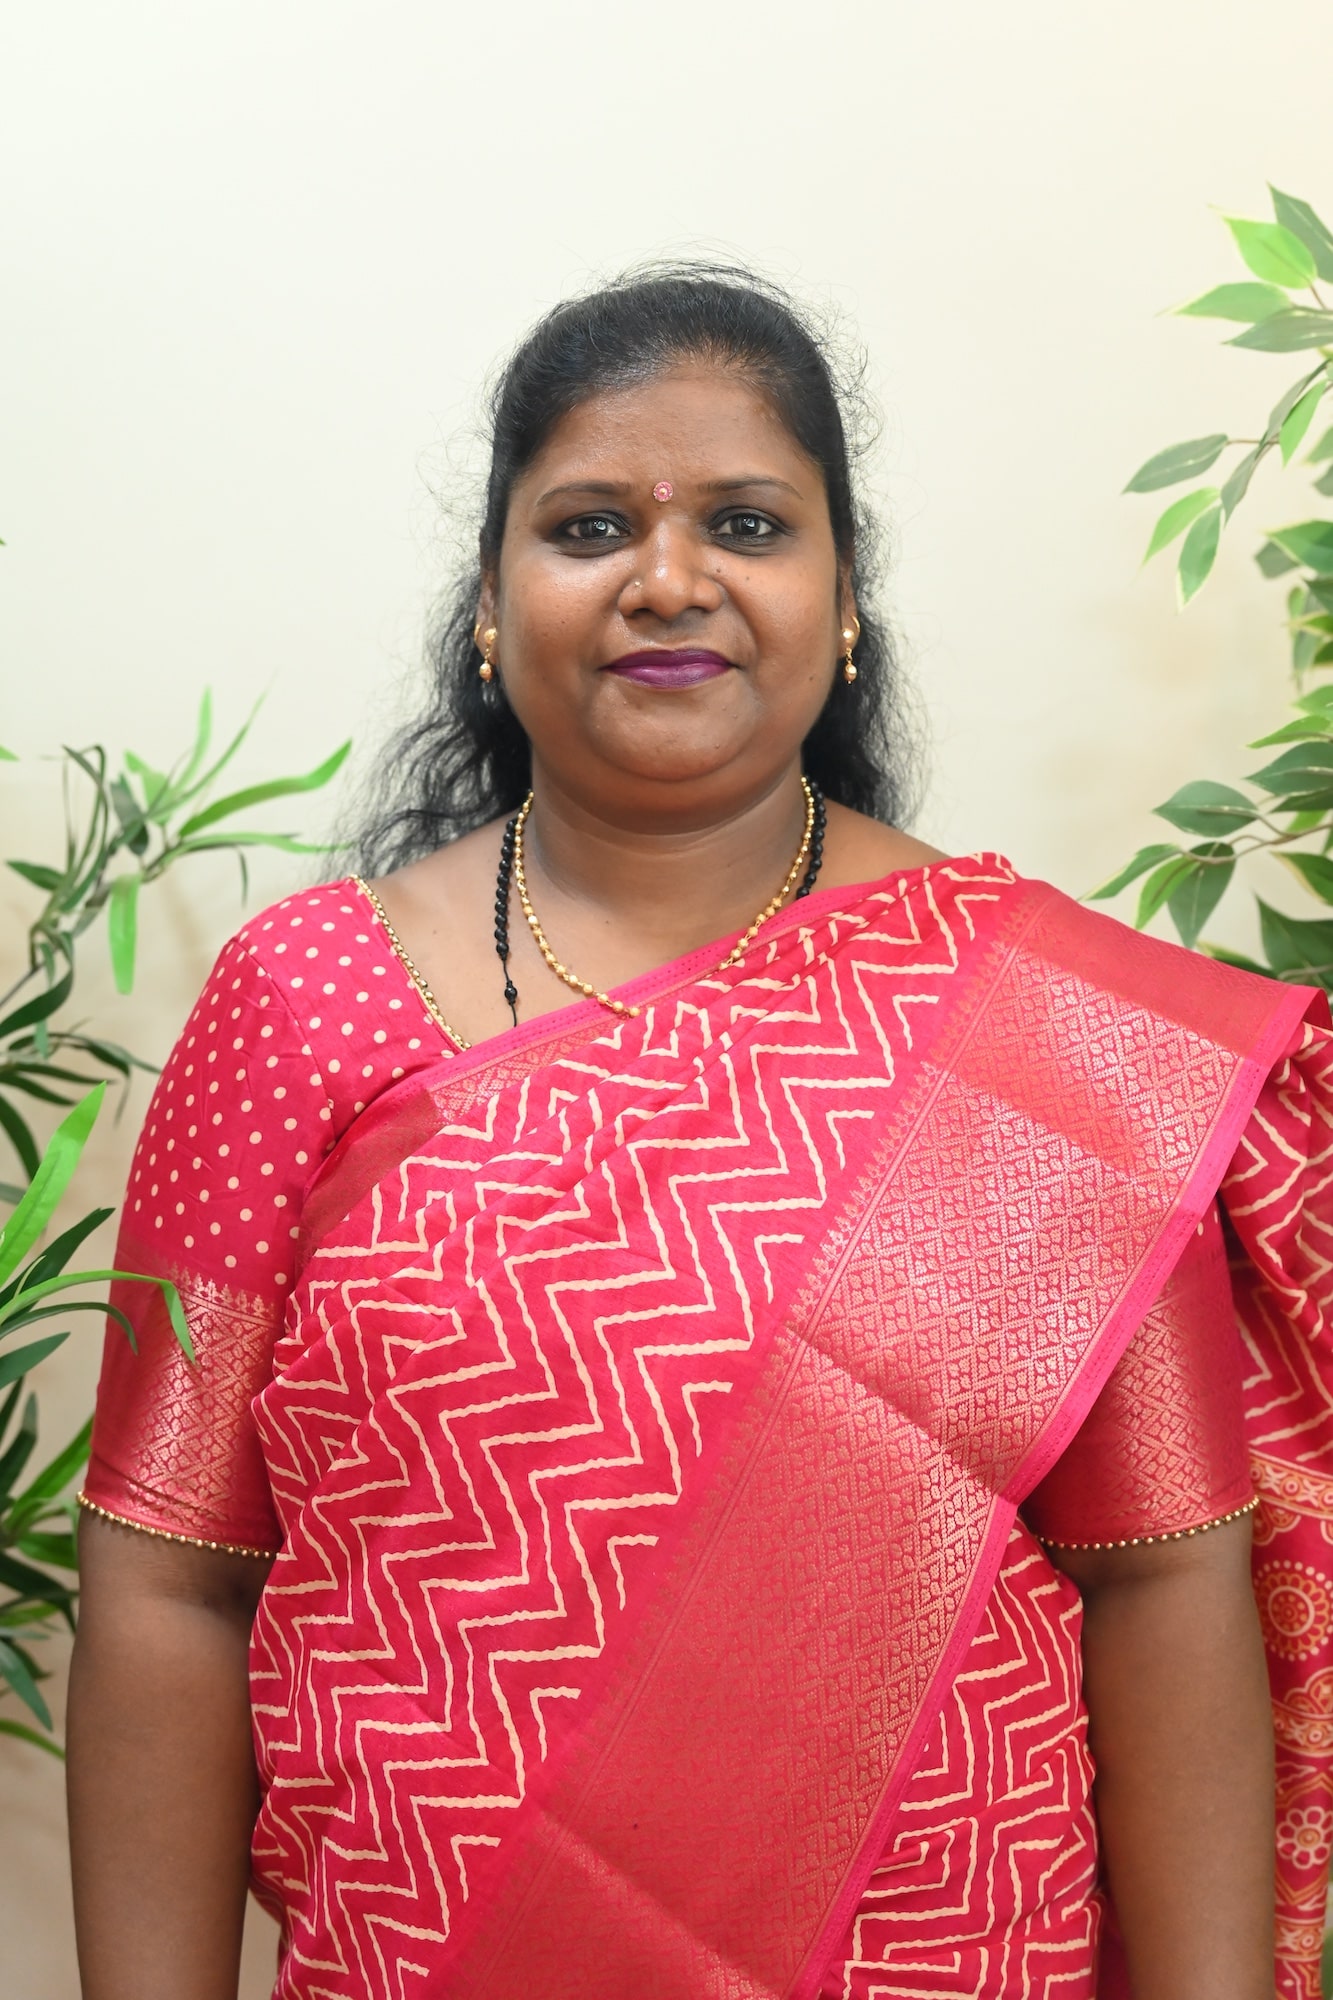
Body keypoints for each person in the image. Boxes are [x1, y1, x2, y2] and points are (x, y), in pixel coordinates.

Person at [66, 265, 1333, 2000]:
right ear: (489, 604)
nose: (669, 579)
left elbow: (1163, 1582)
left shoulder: (1041, 1025)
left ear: (844, 597)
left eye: (745, 522)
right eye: (590, 526)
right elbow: (168, 1587)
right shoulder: (302, 1002)